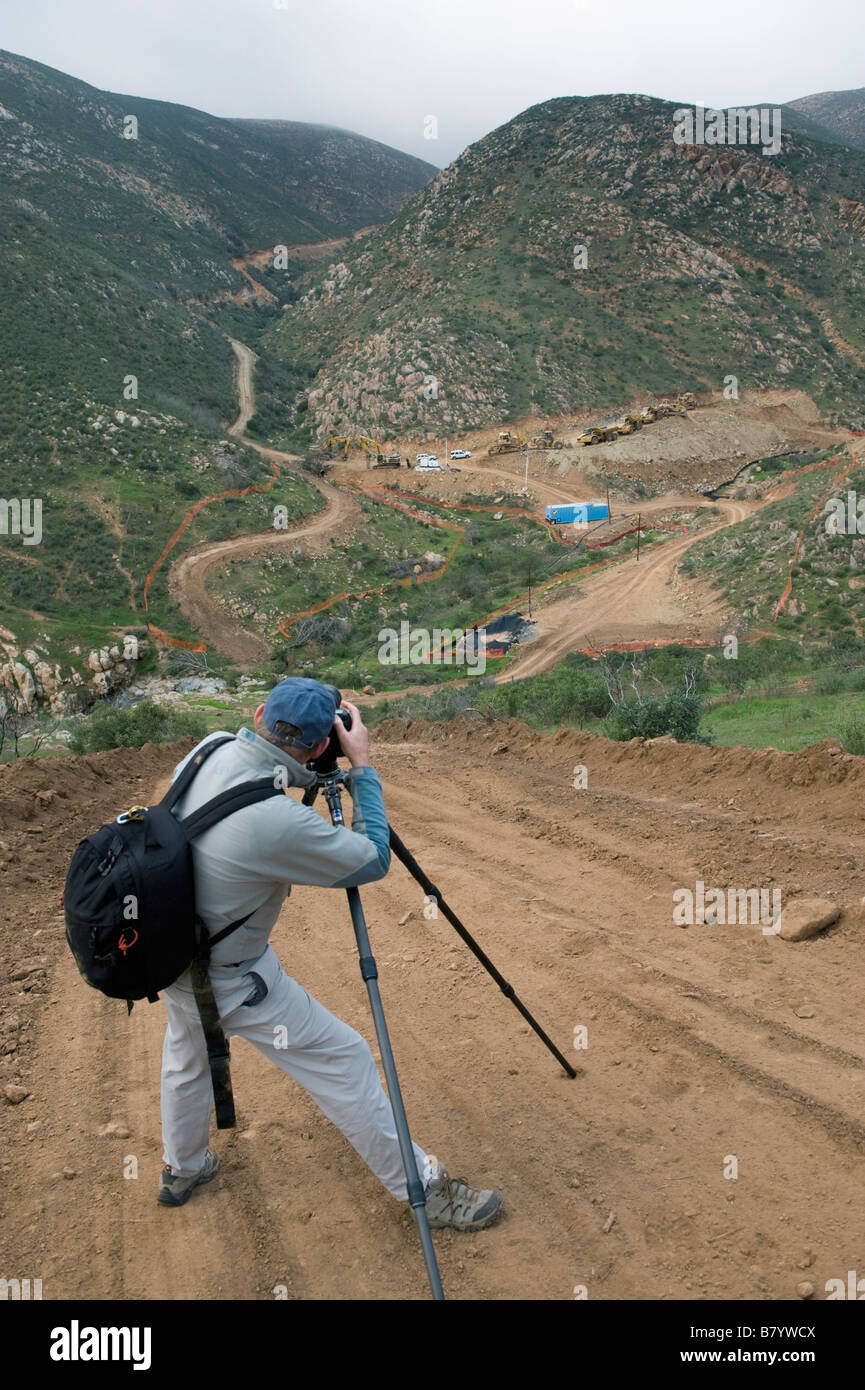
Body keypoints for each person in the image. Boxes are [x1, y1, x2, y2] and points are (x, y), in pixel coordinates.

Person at [158, 677, 503, 1234]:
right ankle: (425, 1190)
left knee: (188, 1052)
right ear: (323, 746)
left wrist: (303, 769)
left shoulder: (211, 747)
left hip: (171, 957)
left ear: (258, 712)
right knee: (343, 1058)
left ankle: (182, 1167)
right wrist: (361, 767)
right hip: (233, 979)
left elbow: (247, 802)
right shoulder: (277, 823)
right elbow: (370, 859)